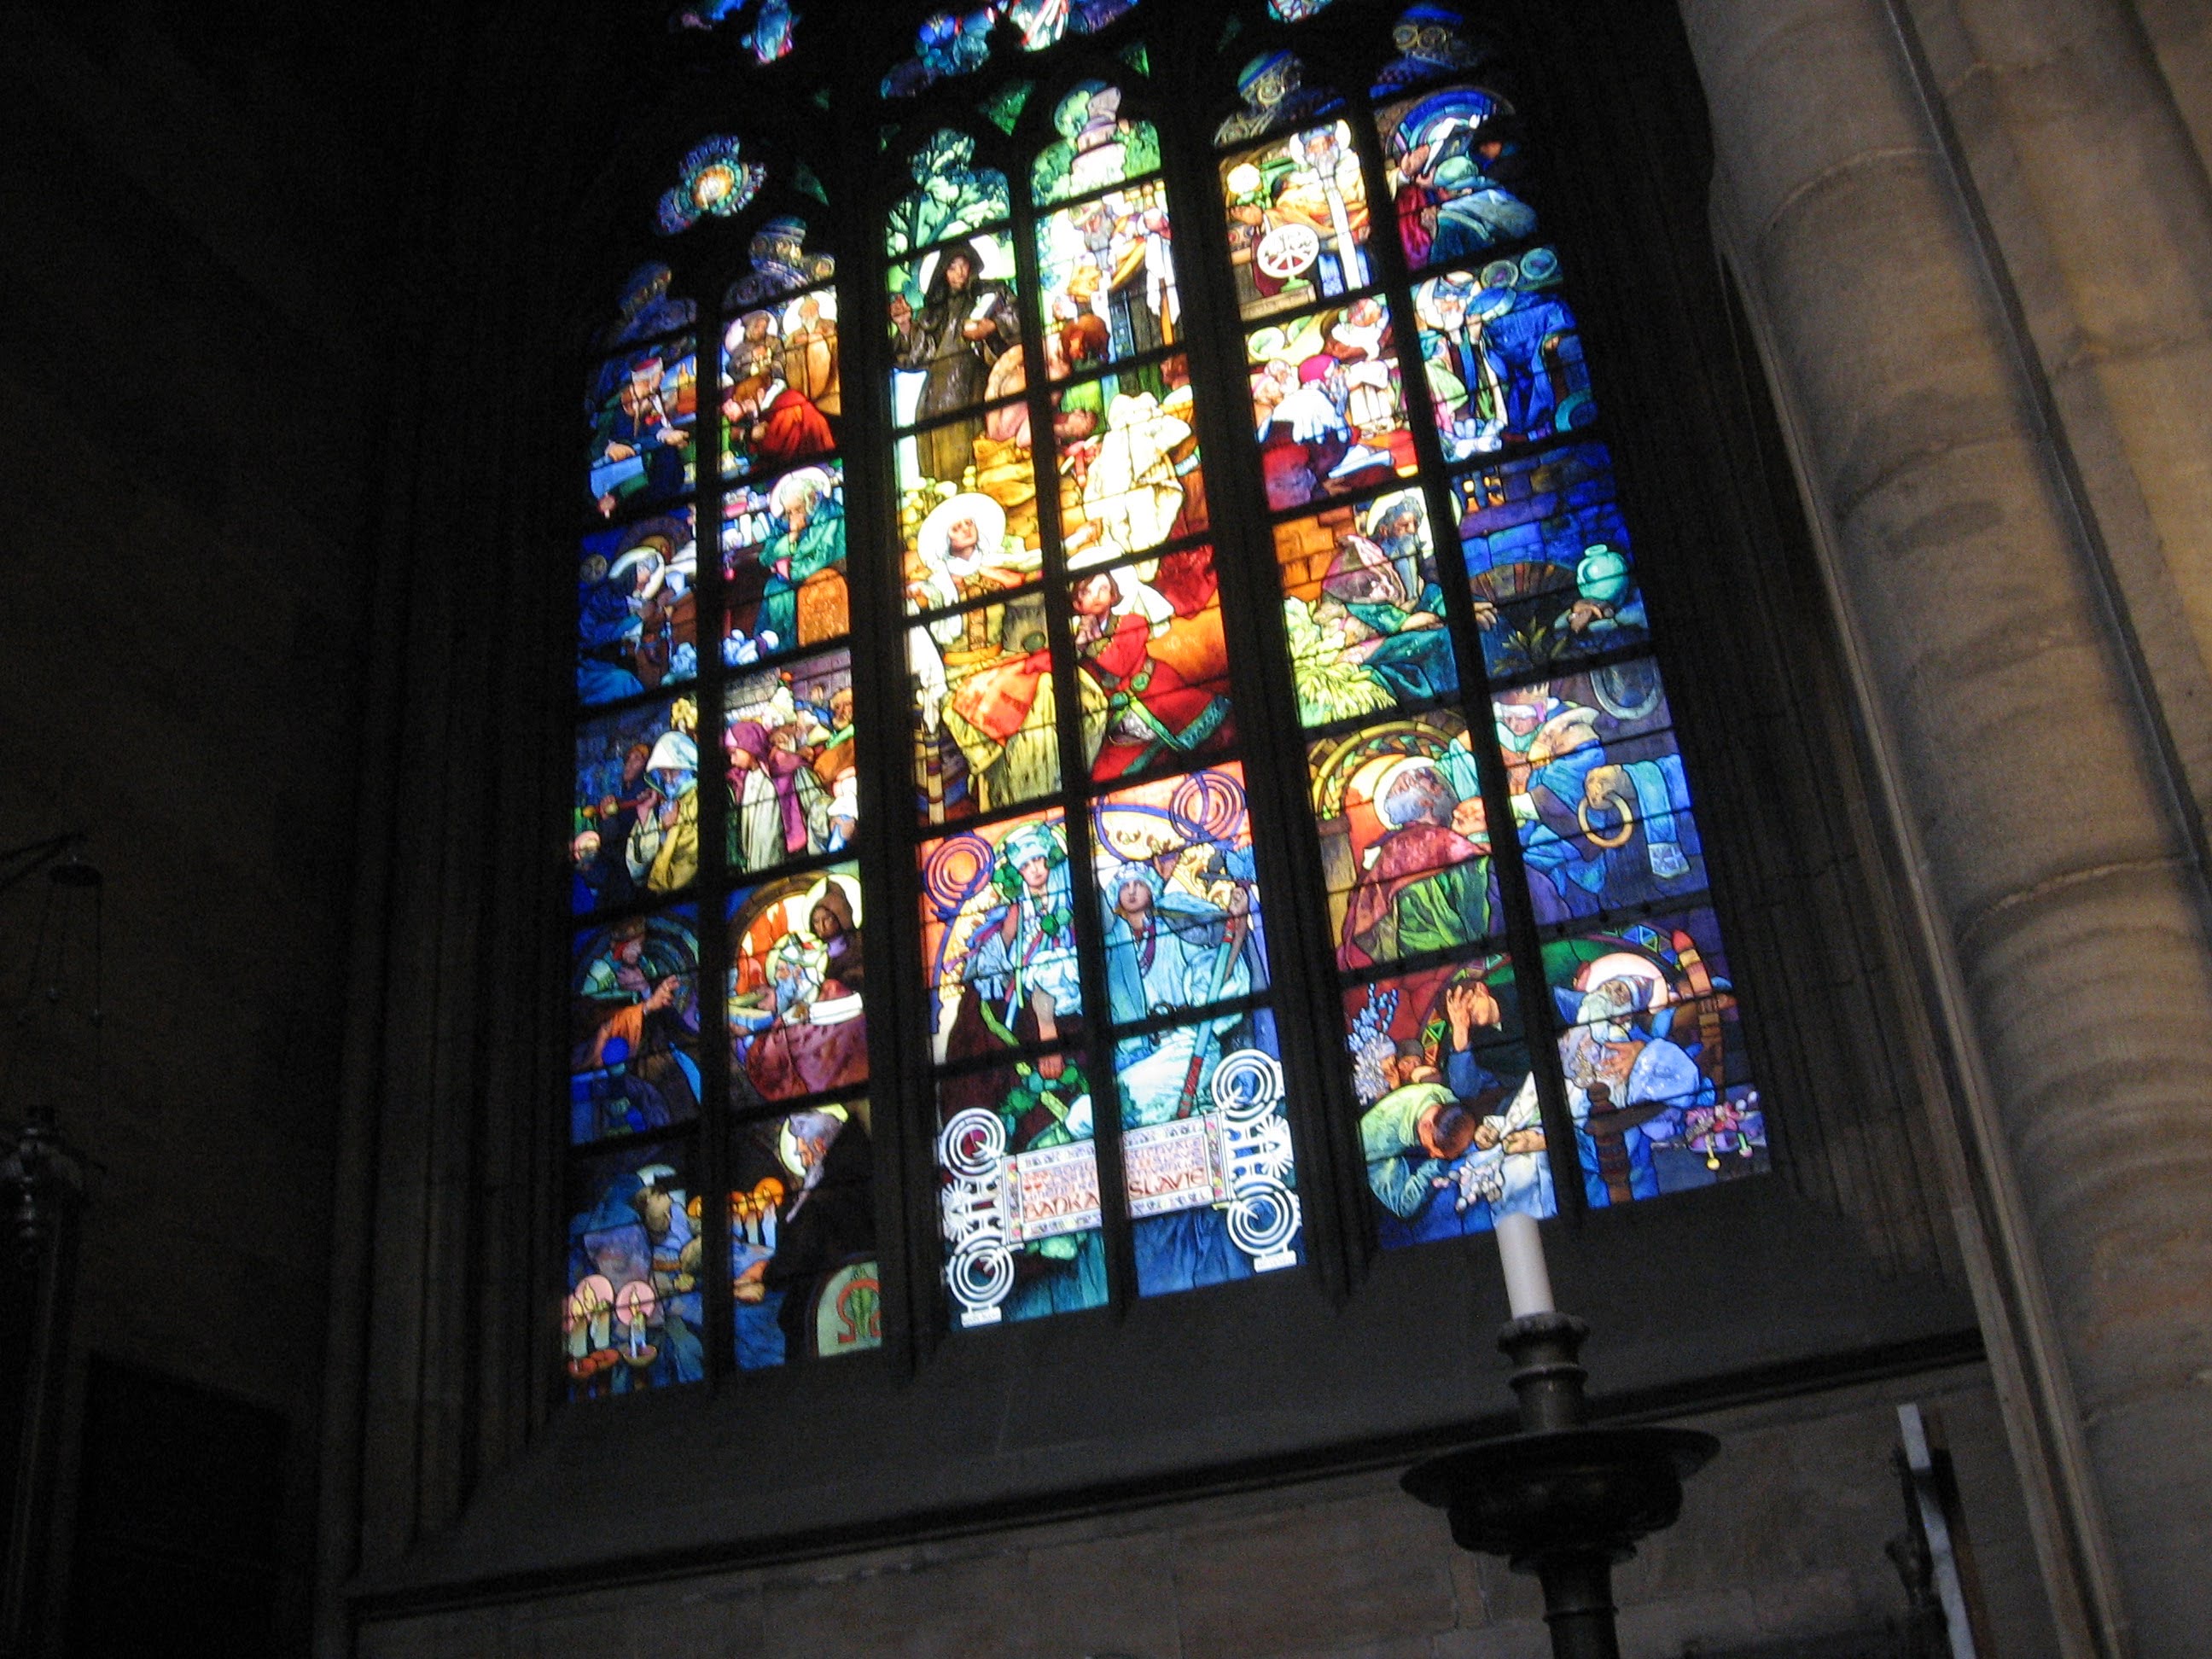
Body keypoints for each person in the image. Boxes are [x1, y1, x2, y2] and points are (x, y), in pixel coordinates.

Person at [1103, 859, 1260, 1291]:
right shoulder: (1108, 949)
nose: (1132, 891)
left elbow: (1217, 974)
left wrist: (1237, 924)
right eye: (1123, 886)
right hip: (1132, 1054)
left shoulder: (1177, 932)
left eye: (1139, 883)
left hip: (1187, 1048)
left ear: (1152, 890)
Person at [1068, 570, 1230, 777]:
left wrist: (1093, 643)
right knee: (1102, 776)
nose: (1096, 596)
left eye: (1103, 588)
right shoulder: (1075, 641)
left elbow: (1120, 665)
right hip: (1121, 726)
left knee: (1218, 744)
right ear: (1077, 603)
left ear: (1114, 595)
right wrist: (1078, 647)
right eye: (1087, 591)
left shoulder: (1133, 623)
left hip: (1161, 697)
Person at [1340, 759, 1499, 969]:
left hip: (1444, 950)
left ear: (1429, 800)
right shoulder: (1397, 843)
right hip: (1414, 951)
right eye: (1398, 786)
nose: (1403, 782)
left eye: (1414, 779)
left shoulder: (1446, 841)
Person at [889, 242, 1018, 482]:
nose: (959, 273)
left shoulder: (993, 293)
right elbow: (916, 356)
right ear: (943, 272)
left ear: (972, 266)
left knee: (972, 438)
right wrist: (905, 325)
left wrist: (992, 326)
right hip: (935, 393)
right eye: (952, 267)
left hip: (976, 380)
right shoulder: (934, 311)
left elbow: (1019, 317)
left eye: (963, 265)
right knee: (935, 441)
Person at [591, 351, 692, 517]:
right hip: (632, 476)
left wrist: (664, 434)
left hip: (655, 471)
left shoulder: (651, 398)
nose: (663, 376)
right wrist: (610, 446)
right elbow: (600, 440)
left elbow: (653, 426)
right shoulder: (617, 408)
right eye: (659, 374)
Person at [757, 467, 845, 651]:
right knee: (774, 588)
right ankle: (766, 644)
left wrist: (786, 568)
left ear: (811, 499)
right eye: (789, 512)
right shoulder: (785, 521)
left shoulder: (830, 514)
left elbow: (817, 559)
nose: (792, 516)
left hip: (827, 575)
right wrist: (791, 537)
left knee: (784, 590)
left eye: (798, 509)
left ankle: (786, 647)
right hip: (790, 579)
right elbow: (765, 557)